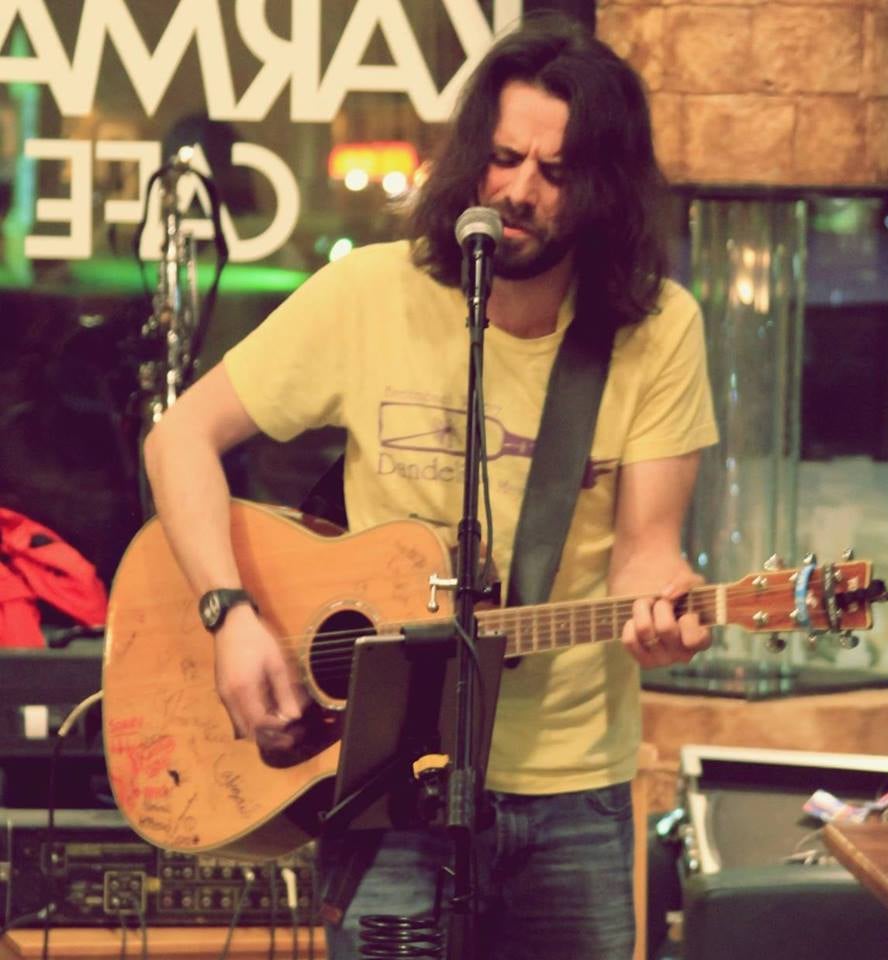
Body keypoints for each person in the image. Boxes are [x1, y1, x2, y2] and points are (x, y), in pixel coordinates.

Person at [144, 14, 718, 960]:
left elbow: (645, 557)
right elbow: (179, 439)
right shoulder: (370, 293)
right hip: (387, 779)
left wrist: (670, 613)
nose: (519, 192)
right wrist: (229, 613)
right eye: (504, 158)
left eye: (556, 172)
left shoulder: (657, 330)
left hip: (571, 788)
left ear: (606, 188)